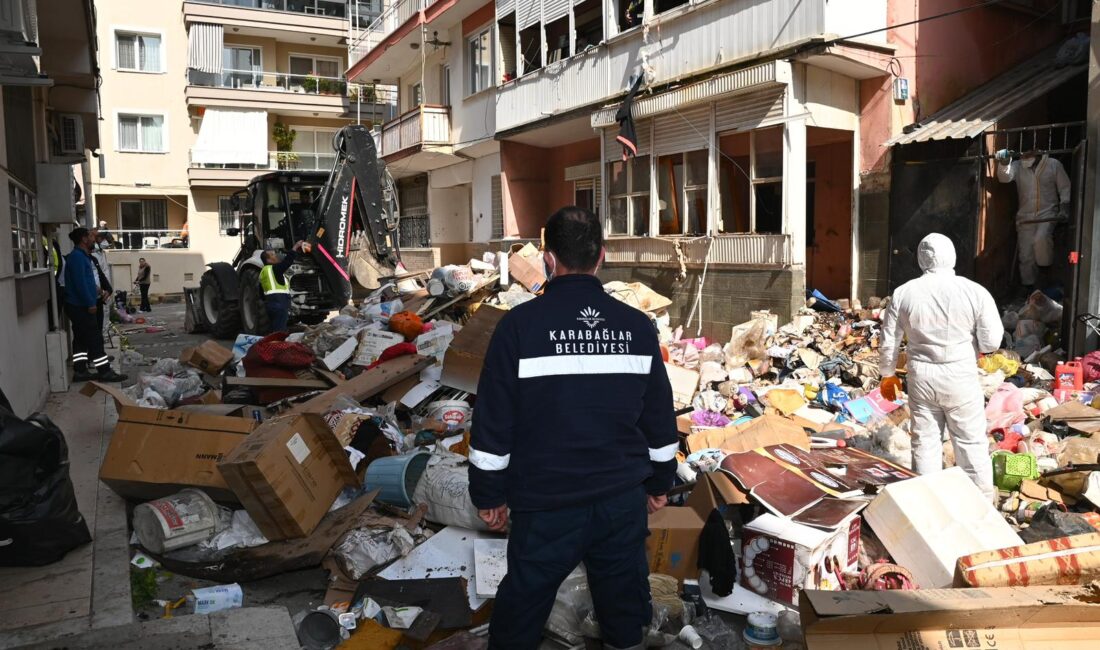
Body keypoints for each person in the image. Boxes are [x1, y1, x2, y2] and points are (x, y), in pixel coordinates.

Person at [468, 206, 678, 650]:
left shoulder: (518, 327)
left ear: (549, 258)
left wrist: (489, 494)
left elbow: (493, 420)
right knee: (623, 608)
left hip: (545, 502)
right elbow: (660, 421)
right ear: (601, 257)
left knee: (522, 606)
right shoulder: (637, 328)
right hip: (619, 502)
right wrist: (660, 483)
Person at [879, 233, 1003, 500]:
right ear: (952, 255)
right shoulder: (974, 291)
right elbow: (991, 342)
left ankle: (928, 506)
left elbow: (889, 341)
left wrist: (887, 375)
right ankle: (980, 507)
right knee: (970, 442)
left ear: (921, 258)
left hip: (922, 378)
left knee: (925, 443)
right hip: (960, 376)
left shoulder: (904, 292)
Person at [996, 149, 1072, 294]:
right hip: (1025, 217)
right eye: (1023, 155)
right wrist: (1004, 162)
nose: (1025, 157)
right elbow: (1004, 177)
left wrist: (1064, 208)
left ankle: (1044, 273)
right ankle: (1028, 287)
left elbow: (1065, 188)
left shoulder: (1053, 165)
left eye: (1028, 155)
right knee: (1026, 254)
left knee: (1041, 239)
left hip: (1048, 213)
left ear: (1038, 153)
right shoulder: (1018, 166)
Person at [64, 228, 126, 383]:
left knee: (80, 338)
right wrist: (90, 303)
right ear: (84, 239)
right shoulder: (78, 258)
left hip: (78, 304)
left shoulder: (81, 257)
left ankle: (80, 371)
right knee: (95, 339)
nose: (95, 239)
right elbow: (81, 284)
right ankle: (104, 371)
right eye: (92, 236)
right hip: (81, 306)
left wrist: (99, 290)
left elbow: (87, 282)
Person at [260, 241, 306, 333]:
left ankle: (271, 345)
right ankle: (278, 346)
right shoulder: (275, 269)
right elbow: (287, 262)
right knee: (280, 332)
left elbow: (261, 293)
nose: (276, 256)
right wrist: (295, 247)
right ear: (268, 260)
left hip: (270, 305)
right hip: (280, 305)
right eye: (273, 255)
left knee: (273, 329)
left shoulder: (263, 272)